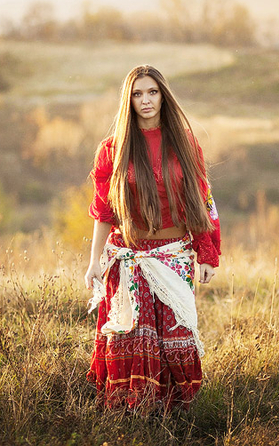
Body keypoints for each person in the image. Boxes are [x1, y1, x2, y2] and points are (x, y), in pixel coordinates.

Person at [84, 64, 221, 412]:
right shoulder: (113, 148)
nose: (145, 100)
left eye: (152, 92)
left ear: (163, 96)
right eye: (137, 94)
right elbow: (104, 211)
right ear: (128, 100)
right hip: (128, 256)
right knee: (132, 339)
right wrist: (94, 261)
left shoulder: (184, 143)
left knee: (176, 336)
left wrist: (207, 252)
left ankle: (177, 415)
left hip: (174, 255)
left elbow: (202, 199)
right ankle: (132, 413)